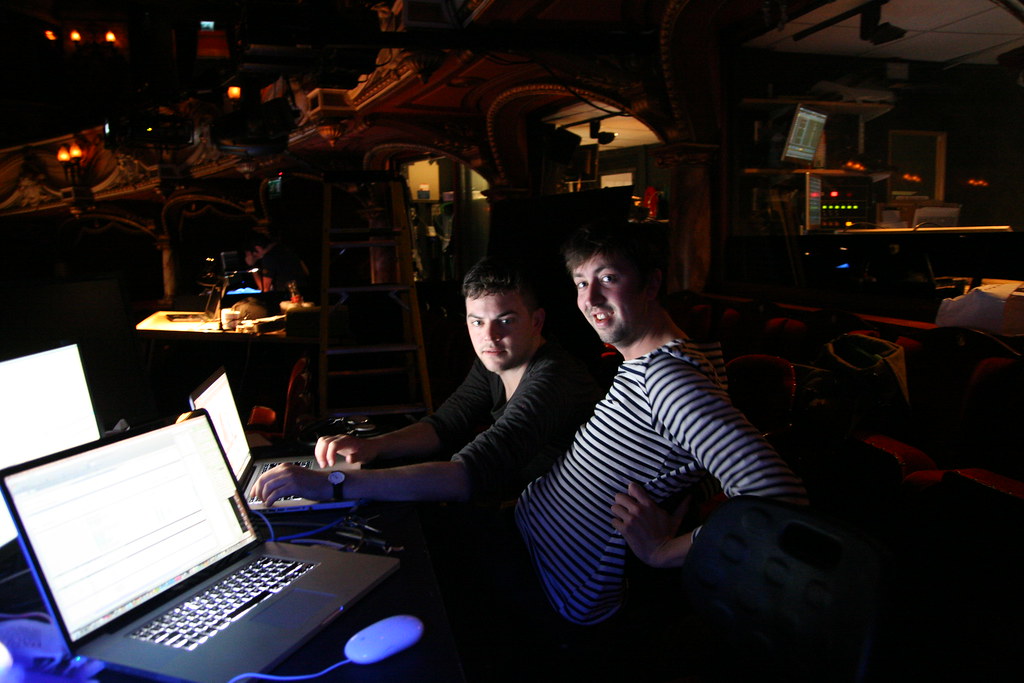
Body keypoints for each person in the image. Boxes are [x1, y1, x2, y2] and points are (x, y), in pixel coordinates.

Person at [514, 220, 808, 626]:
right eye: (581, 282)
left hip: (554, 585)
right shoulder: (661, 361)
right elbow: (688, 458)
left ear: (651, 284)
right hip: (531, 541)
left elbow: (779, 499)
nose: (590, 298)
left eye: (608, 278)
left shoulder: (667, 379)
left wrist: (662, 551)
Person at [252, 256, 603, 506]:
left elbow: (470, 473)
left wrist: (333, 483)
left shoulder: (553, 377)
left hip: (565, 528)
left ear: (536, 321)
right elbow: (444, 425)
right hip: (531, 504)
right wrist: (373, 446)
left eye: (506, 321)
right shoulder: (495, 361)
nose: (489, 336)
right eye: (477, 322)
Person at [244, 231, 310, 295]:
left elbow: (264, 288)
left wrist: (252, 266)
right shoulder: (285, 249)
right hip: (304, 290)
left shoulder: (269, 258)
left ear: (258, 248)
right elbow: (306, 272)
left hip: (288, 295)